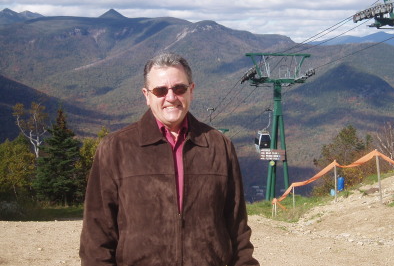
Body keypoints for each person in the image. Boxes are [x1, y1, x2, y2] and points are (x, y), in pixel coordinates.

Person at [80, 53, 259, 266]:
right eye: (160, 90)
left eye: (179, 89)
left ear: (191, 91)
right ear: (147, 95)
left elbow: (237, 228)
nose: (171, 97)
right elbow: (97, 233)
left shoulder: (219, 146)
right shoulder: (116, 149)